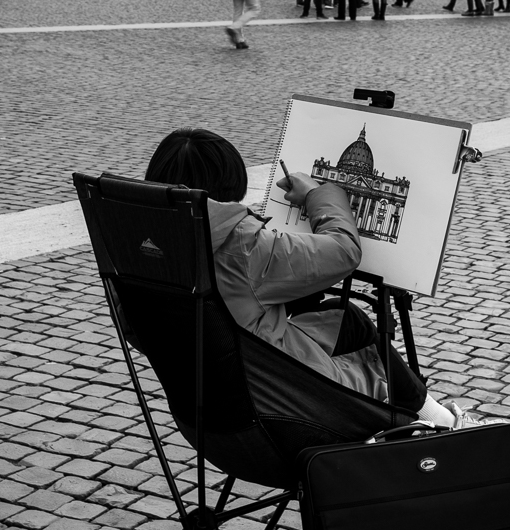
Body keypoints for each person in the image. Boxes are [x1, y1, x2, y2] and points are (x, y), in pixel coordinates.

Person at [144, 128, 477, 426]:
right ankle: (440, 422)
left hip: (202, 405)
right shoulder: (241, 248)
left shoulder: (138, 243)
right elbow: (345, 250)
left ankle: (436, 415)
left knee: (346, 317)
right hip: (279, 402)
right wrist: (320, 194)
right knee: (365, 354)